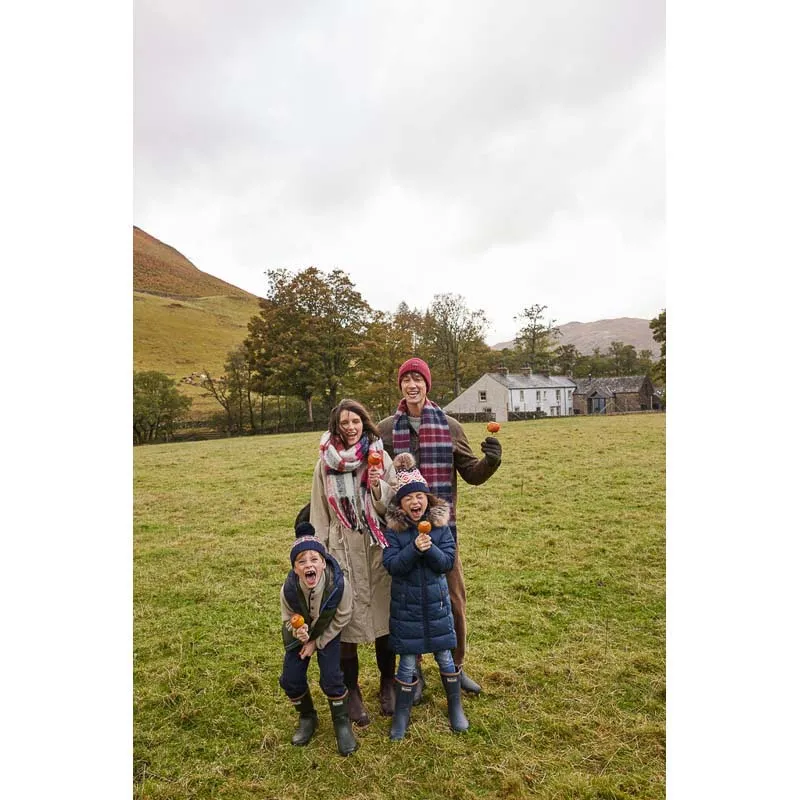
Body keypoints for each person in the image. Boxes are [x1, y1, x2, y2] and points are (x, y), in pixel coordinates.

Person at [378, 357, 502, 697]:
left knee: (453, 599)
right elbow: (372, 472)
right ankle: (411, 671)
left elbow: (472, 473)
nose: (412, 385)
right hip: (401, 530)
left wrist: (490, 461)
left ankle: (456, 667)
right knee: (405, 601)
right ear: (400, 385)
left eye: (418, 379)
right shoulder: (387, 429)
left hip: (442, 528)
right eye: (407, 379)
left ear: (427, 385)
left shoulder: (449, 426)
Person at [309, 398, 398, 725]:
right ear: (336, 425)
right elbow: (318, 507)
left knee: (383, 619)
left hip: (376, 546)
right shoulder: (325, 463)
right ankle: (352, 690)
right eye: (344, 422)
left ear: (364, 422)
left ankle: (388, 683)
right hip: (341, 549)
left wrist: (377, 486)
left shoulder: (379, 456)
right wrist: (317, 554)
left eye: (355, 421)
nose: (350, 427)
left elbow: (391, 504)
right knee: (344, 624)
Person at [382, 453, 469, 740]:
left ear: (427, 500)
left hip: (437, 608)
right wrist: (413, 549)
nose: (415, 503)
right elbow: (392, 565)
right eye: (408, 499)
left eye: (419, 497)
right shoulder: (394, 532)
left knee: (445, 657)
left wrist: (428, 548)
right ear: (401, 504)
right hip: (407, 611)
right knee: (407, 663)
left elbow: (445, 563)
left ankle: (455, 706)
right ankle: (402, 715)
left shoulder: (441, 529)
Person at [279, 522, 359, 756]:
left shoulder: (339, 585)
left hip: (328, 631)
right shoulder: (288, 590)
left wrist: (317, 641)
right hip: (301, 634)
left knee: (332, 678)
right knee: (290, 679)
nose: (308, 565)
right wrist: (299, 633)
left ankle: (341, 723)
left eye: (314, 559)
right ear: (295, 568)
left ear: (323, 563)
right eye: (301, 561)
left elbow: (343, 616)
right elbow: (287, 618)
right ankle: (307, 717)